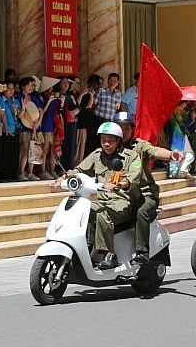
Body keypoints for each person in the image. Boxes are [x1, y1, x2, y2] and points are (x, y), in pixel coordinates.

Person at [61, 122, 142, 270]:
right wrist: (65, 177)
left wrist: (119, 185)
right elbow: (80, 169)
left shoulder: (131, 157)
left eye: (110, 141)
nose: (106, 144)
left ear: (118, 141)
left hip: (123, 201)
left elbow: (133, 179)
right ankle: (85, 248)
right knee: (83, 211)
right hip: (102, 199)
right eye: (103, 140)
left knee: (103, 215)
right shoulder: (97, 155)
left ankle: (110, 254)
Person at [113, 112, 183, 264]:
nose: (124, 131)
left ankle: (142, 252)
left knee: (142, 212)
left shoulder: (139, 146)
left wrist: (171, 154)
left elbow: (155, 151)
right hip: (121, 195)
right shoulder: (109, 147)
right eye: (120, 128)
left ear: (132, 130)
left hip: (145, 194)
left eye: (127, 128)